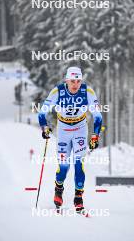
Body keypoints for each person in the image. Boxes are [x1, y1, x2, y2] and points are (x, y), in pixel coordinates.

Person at [38, 66, 102, 213]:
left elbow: (98, 116)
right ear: (67, 80)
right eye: (72, 81)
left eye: (78, 81)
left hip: (80, 129)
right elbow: (42, 113)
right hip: (63, 130)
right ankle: (58, 189)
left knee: (79, 164)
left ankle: (78, 197)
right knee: (64, 167)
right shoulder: (57, 91)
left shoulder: (88, 92)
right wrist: (44, 127)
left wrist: (95, 135)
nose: (75, 84)